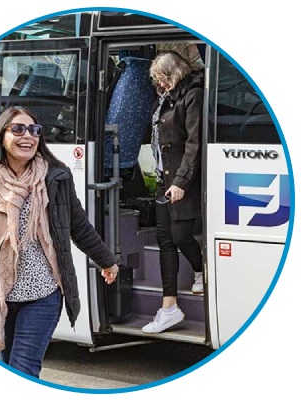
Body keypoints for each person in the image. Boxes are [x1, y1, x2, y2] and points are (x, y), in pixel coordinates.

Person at [0, 107, 119, 377]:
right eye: (18, 129)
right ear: (1, 136)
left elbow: (77, 225)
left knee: (24, 368)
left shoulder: (56, 177)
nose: (28, 136)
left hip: (42, 295)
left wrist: (107, 260)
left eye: (34, 130)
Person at [142, 51, 204, 334]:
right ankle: (169, 308)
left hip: (183, 180)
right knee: (165, 239)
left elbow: (194, 144)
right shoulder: (165, 99)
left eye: (162, 78)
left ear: (175, 72)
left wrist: (180, 181)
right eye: (157, 80)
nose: (160, 83)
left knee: (180, 235)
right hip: (163, 178)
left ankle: (201, 269)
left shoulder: (193, 95)